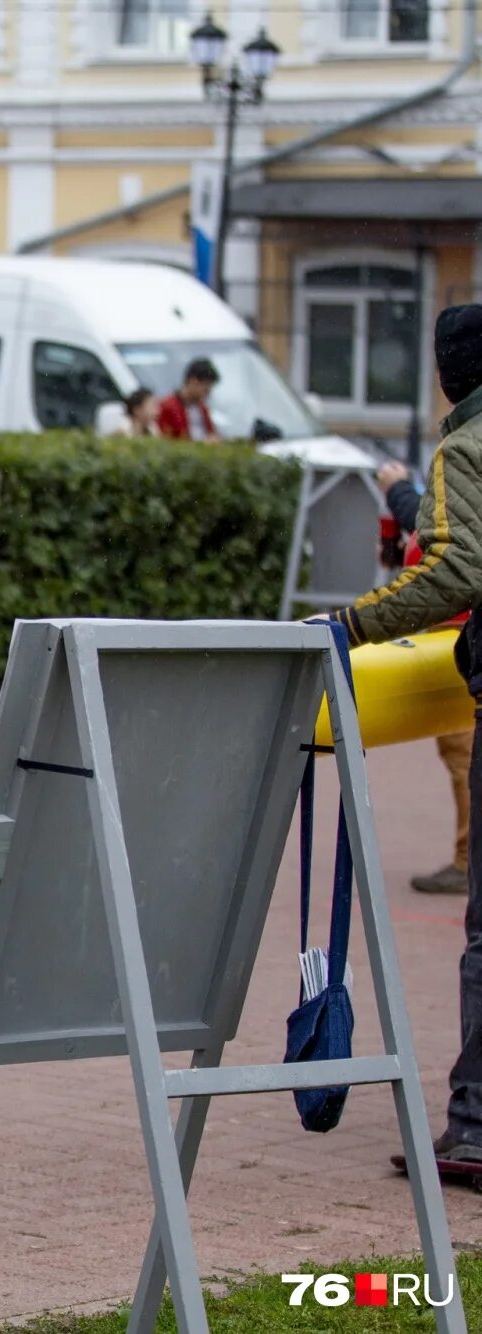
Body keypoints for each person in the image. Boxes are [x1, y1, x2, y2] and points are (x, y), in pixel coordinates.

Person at [334, 303, 482, 1183]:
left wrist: (351, 625)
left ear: (448, 374)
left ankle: (475, 1127)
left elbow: (457, 566)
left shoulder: (465, 446)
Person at [373, 455, 470, 897]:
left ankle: (469, 861)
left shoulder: (463, 462)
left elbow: (441, 532)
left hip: (460, 634)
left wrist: (397, 490)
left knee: (464, 754)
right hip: (455, 632)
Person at [156, 358, 220, 441]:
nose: (208, 394)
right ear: (193, 381)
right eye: (205, 389)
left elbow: (213, 434)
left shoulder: (203, 409)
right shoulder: (167, 408)